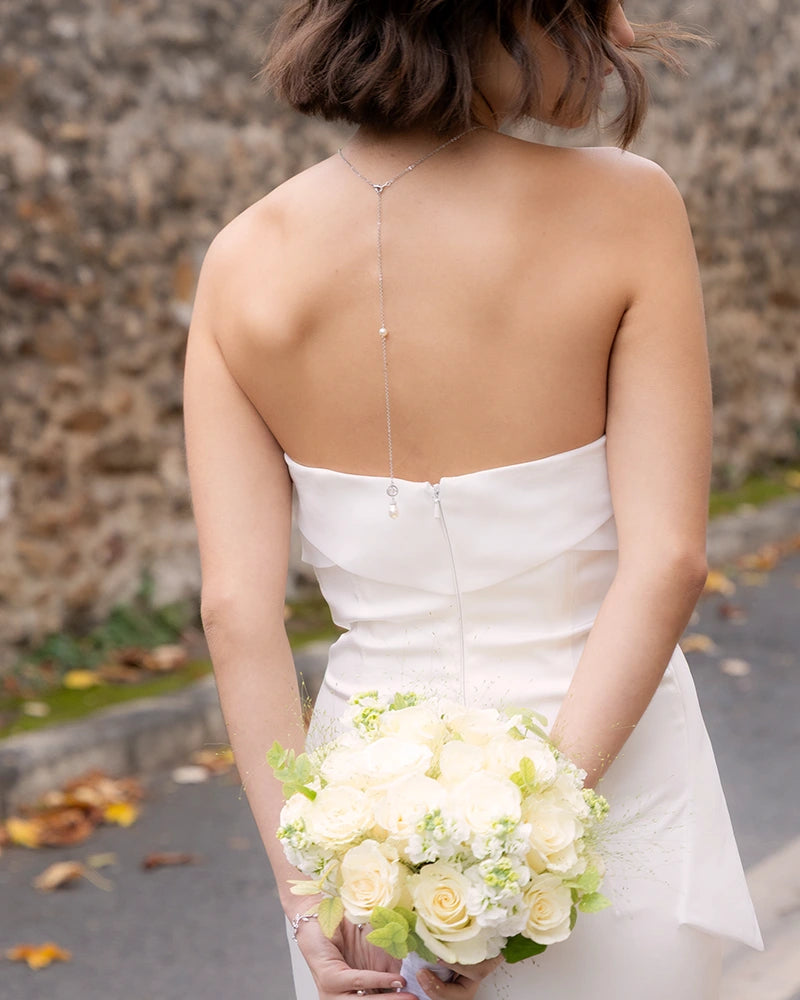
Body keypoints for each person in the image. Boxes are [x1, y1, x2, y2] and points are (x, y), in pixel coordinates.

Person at [183, 2, 763, 998]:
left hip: (366, 834)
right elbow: (666, 561)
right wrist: (521, 868)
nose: (623, 35)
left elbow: (236, 612)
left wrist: (310, 900)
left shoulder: (241, 259)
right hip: (608, 781)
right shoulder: (625, 206)